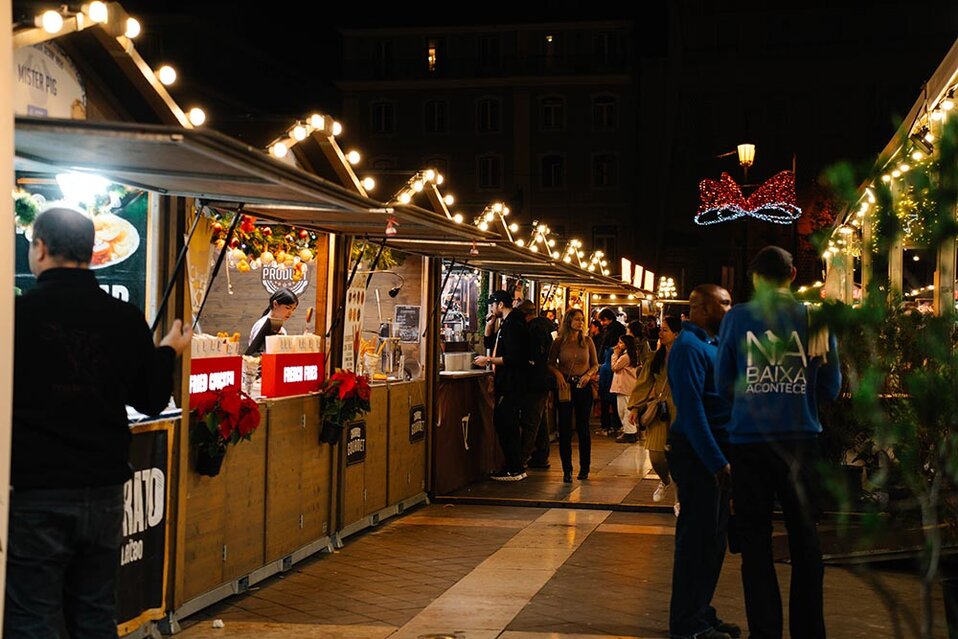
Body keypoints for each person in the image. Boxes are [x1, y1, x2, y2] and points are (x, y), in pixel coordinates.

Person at [8, 206, 192, 638]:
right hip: (104, 491)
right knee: (94, 613)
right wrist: (167, 352)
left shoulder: (17, 314)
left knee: (33, 616)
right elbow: (150, 400)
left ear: (39, 248)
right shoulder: (123, 317)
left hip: (36, 491)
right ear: (93, 253)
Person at [716, 246, 841, 639]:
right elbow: (832, 388)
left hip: (749, 442)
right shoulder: (815, 318)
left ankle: (765, 631)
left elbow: (723, 385)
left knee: (754, 543)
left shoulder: (736, 318)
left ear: (755, 279)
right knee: (805, 540)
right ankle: (809, 631)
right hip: (801, 440)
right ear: (791, 275)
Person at [666, 284, 738, 639]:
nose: (731, 308)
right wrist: (715, 461)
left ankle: (701, 612)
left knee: (712, 541)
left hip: (714, 452)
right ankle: (687, 625)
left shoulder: (710, 344)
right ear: (703, 308)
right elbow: (693, 411)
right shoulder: (688, 347)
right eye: (725, 302)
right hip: (698, 456)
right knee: (696, 541)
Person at [627, 315, 682, 512]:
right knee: (657, 456)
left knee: (678, 456)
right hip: (660, 409)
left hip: (682, 410)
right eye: (661, 329)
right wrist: (634, 407)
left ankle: (679, 499)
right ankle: (665, 481)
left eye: (665, 330)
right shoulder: (654, 358)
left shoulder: (688, 357)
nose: (660, 333)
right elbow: (643, 383)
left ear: (677, 334)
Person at [474, 290, 530, 481]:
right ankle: (515, 467)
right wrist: (489, 325)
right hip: (507, 383)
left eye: (492, 305)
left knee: (506, 423)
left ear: (500, 305)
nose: (490, 308)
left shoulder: (513, 325)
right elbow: (491, 342)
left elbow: (514, 357)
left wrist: (488, 360)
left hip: (511, 383)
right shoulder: (506, 324)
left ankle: (514, 468)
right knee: (505, 423)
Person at [547, 308, 599, 483]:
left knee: (583, 427)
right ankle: (566, 469)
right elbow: (550, 363)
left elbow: (595, 364)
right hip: (565, 386)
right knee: (565, 428)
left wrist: (587, 376)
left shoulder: (587, 341)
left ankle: (585, 468)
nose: (580, 322)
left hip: (582, 386)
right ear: (568, 321)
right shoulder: (559, 342)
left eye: (582, 319)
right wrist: (558, 374)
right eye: (577, 319)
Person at [517, 300, 556, 469]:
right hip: (545, 379)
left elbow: (533, 356)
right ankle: (541, 454)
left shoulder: (533, 329)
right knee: (540, 419)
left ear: (524, 315)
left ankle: (521, 459)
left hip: (535, 380)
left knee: (531, 419)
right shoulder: (547, 327)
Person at [596, 308, 626, 435]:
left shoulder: (611, 332)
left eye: (603, 320)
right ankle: (616, 425)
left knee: (606, 397)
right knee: (614, 398)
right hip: (610, 367)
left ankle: (606, 427)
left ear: (608, 319)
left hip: (608, 368)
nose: (602, 323)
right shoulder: (619, 329)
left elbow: (604, 349)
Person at [245, 287, 299, 355]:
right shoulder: (261, 324)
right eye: (288, 308)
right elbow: (254, 353)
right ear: (275, 304)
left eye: (293, 309)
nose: (290, 313)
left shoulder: (282, 330)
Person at [609, 334, 639, 442]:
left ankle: (629, 432)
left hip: (624, 386)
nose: (618, 345)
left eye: (621, 343)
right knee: (626, 409)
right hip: (628, 385)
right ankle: (630, 431)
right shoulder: (632, 355)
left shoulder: (625, 357)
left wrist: (614, 355)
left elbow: (614, 367)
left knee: (624, 410)